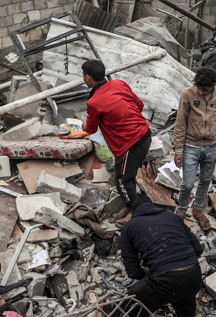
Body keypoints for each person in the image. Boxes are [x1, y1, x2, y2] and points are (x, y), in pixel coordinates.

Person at [62, 59, 151, 224]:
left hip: (130, 143)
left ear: (88, 77)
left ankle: (136, 213)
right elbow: (139, 105)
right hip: (145, 133)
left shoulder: (94, 102)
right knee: (128, 177)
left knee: (122, 180)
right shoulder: (119, 83)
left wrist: (72, 132)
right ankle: (130, 205)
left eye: (83, 75)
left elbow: (90, 129)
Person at [118, 196, 204, 317]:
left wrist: (147, 273)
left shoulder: (129, 227)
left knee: (129, 309)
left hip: (166, 281)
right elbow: (199, 251)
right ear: (153, 206)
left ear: (132, 213)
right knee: (185, 297)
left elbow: (133, 271)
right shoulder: (173, 217)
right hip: (194, 275)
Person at [173, 66, 216, 230]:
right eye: (199, 89)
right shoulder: (187, 94)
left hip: (212, 146)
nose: (202, 92)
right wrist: (178, 150)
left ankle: (198, 209)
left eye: (206, 89)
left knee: (205, 181)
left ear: (214, 85)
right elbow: (180, 123)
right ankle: (182, 210)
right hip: (191, 146)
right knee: (188, 184)